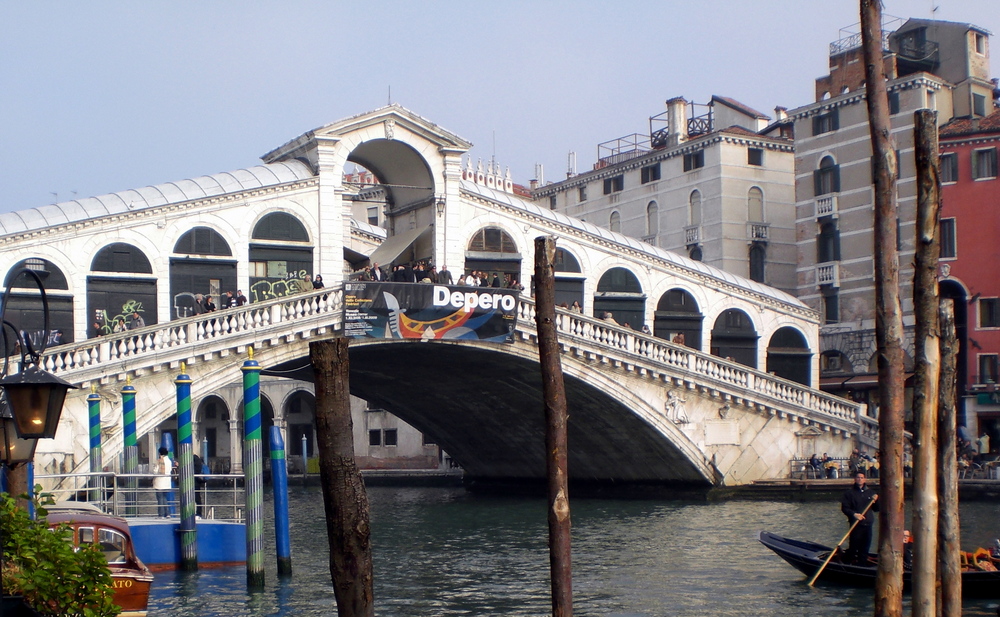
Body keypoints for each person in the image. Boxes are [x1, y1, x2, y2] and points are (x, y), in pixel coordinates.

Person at [841, 472, 879, 565]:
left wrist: (877, 500)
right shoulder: (849, 493)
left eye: (862, 478)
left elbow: (877, 509)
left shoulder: (871, 493)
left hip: (868, 524)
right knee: (854, 547)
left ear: (865, 479)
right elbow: (845, 508)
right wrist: (854, 514)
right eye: (858, 477)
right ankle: (848, 563)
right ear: (855, 479)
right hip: (856, 524)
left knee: (865, 548)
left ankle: (862, 565)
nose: (860, 479)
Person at [153, 447, 173, 518]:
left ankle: (161, 514)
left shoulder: (159, 461)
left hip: (159, 483)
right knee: (164, 498)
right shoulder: (169, 461)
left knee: (160, 499)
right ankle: (167, 514)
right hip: (167, 483)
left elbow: (155, 471)